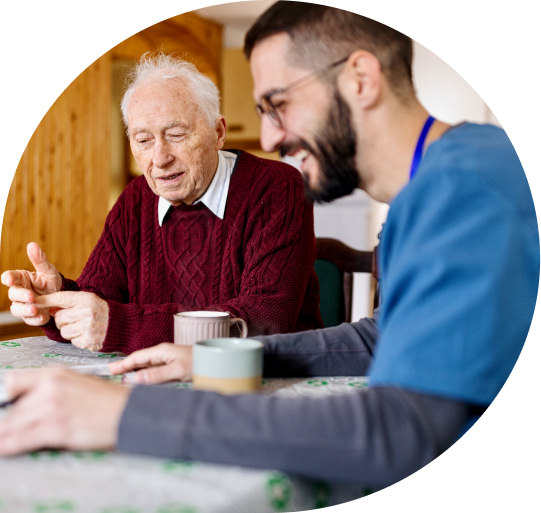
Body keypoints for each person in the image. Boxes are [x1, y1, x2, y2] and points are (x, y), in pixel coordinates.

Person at [0, 2, 537, 491]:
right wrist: (207, 355)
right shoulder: (429, 190)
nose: (272, 137)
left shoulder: (467, 186)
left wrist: (124, 415)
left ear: (360, 79)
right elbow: (380, 339)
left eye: (278, 104)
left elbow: (401, 432)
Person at [0, 53, 323, 354]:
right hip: (161, 383)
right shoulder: (135, 199)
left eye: (177, 134)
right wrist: (56, 302)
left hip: (265, 383)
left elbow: (263, 321)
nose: (160, 158)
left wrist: (121, 325)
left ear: (218, 132)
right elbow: (100, 303)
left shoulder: (277, 187)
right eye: (143, 140)